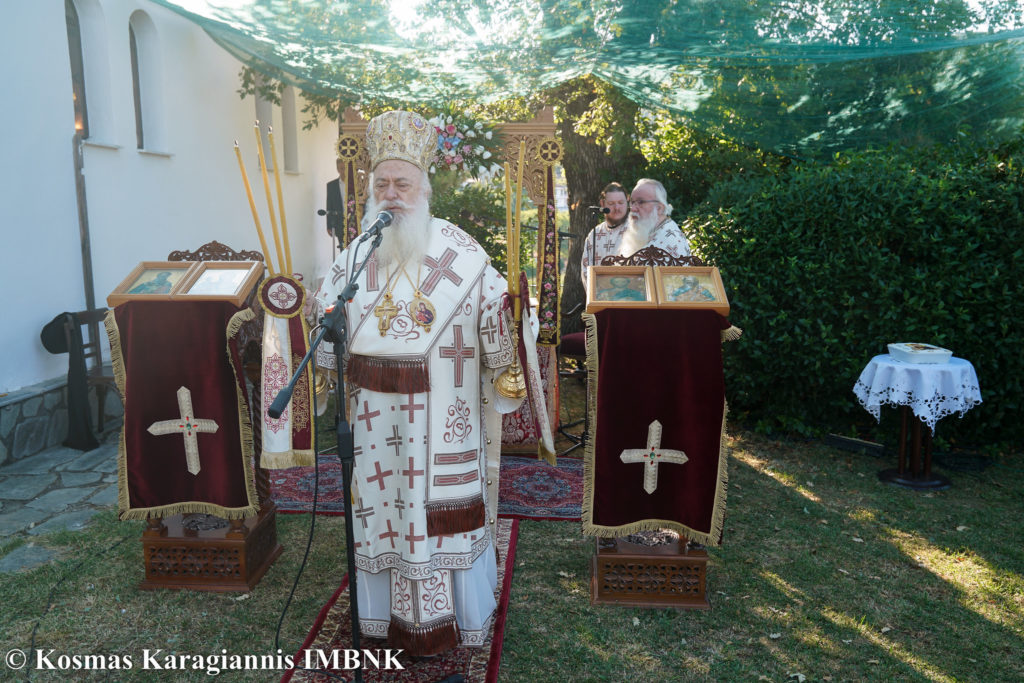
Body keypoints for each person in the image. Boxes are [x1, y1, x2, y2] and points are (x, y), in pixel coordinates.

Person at [315, 110, 523, 656]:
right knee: (382, 511)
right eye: (381, 184)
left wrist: (503, 317)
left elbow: (493, 309)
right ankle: (382, 618)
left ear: (424, 188)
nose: (391, 195)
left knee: (438, 517)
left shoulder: (461, 251)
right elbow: (326, 324)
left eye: (401, 184)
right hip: (374, 422)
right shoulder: (355, 256)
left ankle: (456, 616)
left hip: (442, 416)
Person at [618, 178, 691, 260]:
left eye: (641, 202)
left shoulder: (670, 240)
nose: (633, 208)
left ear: (659, 208)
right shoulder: (650, 230)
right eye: (632, 202)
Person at [580, 182, 629, 285]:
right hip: (601, 296)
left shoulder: (637, 230)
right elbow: (586, 271)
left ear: (627, 200)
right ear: (602, 204)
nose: (617, 208)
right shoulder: (594, 234)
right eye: (611, 204)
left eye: (621, 202)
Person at [325, 157, 346, 238]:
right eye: (341, 168)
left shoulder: (356, 184)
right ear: (338, 169)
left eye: (346, 168)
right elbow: (329, 205)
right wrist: (329, 226)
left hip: (355, 223)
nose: (344, 171)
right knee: (342, 249)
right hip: (339, 224)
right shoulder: (331, 186)